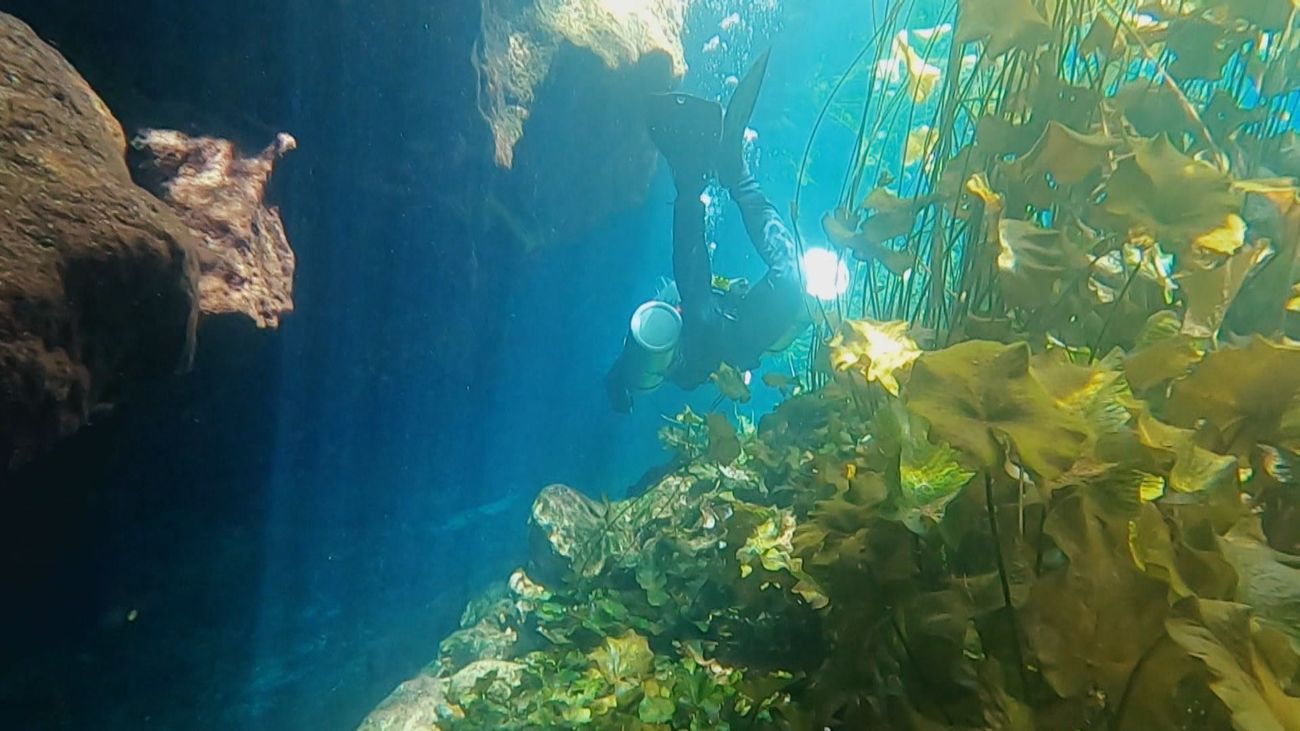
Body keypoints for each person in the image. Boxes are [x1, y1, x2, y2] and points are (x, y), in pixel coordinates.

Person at [606, 52, 807, 413]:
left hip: (719, 328)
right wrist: (621, 382)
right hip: (724, 341)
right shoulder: (685, 355)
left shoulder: (690, 322)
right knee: (793, 277)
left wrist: (620, 382)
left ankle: (698, 179)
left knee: (714, 305)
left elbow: (692, 286)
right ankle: (735, 176)